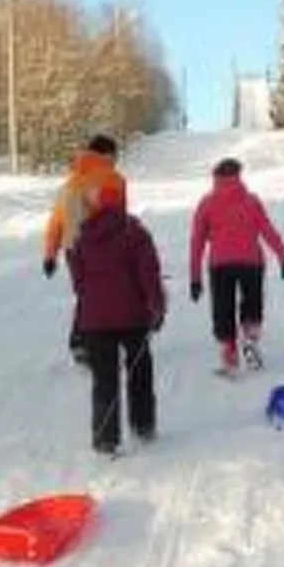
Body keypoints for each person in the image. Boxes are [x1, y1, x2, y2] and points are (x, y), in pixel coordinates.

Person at [68, 184, 165, 455]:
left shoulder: (81, 236)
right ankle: (143, 424)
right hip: (134, 316)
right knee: (140, 370)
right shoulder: (135, 232)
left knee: (104, 379)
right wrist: (157, 307)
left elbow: (78, 281)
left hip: (95, 319)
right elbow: (150, 274)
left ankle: (105, 438)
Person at [188, 157, 284, 376]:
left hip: (221, 265)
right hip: (251, 262)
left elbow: (197, 242)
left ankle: (230, 352)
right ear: (238, 175)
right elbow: (268, 231)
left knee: (223, 309)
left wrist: (195, 278)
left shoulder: (207, 203)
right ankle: (250, 340)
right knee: (252, 302)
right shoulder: (251, 200)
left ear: (215, 177)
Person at [42, 133, 127, 364]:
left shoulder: (70, 183)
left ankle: (80, 340)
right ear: (107, 154)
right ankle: (92, 342)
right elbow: (118, 218)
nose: (117, 158)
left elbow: (56, 221)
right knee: (101, 293)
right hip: (101, 246)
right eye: (116, 154)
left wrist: (50, 254)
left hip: (72, 248)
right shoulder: (115, 179)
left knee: (85, 293)